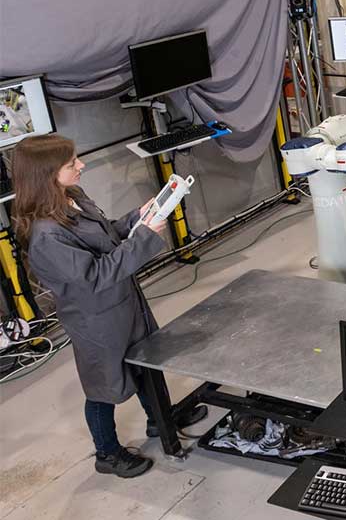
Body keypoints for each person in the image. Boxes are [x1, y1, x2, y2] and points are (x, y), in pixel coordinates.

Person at [10, 134, 206, 478]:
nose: (81, 165)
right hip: (97, 320)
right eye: (72, 163)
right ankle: (107, 453)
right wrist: (147, 236)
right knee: (102, 387)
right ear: (47, 174)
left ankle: (160, 419)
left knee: (147, 361)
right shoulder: (46, 236)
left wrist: (137, 218)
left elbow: (106, 235)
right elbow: (96, 274)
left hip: (124, 303)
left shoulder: (71, 197)